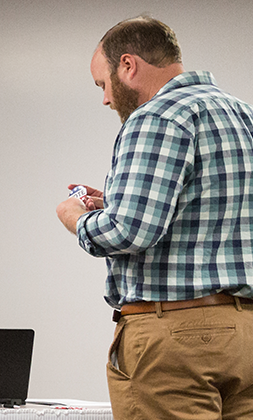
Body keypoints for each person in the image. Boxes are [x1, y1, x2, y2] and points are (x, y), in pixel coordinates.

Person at [54, 16, 253, 419]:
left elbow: (129, 231)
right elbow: (216, 208)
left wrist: (75, 217)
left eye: (102, 84)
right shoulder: (243, 114)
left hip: (177, 337)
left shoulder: (156, 116)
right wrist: (116, 200)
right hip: (246, 333)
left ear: (128, 65)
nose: (106, 99)